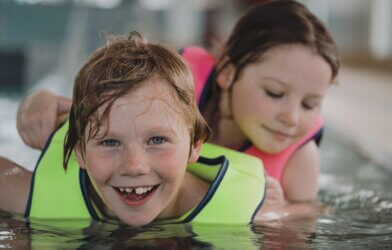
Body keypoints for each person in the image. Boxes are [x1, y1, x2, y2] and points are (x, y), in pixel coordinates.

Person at [16, 0, 339, 219]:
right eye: (274, 93)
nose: (292, 117)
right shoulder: (180, 82)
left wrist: (278, 210)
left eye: (310, 104)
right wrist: (38, 100)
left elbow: (312, 210)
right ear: (226, 72)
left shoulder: (300, 155)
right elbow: (101, 113)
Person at [1, 32, 266, 227]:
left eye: (158, 140)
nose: (134, 166)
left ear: (195, 144)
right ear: (80, 151)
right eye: (110, 143)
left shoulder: (246, 212)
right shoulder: (37, 196)